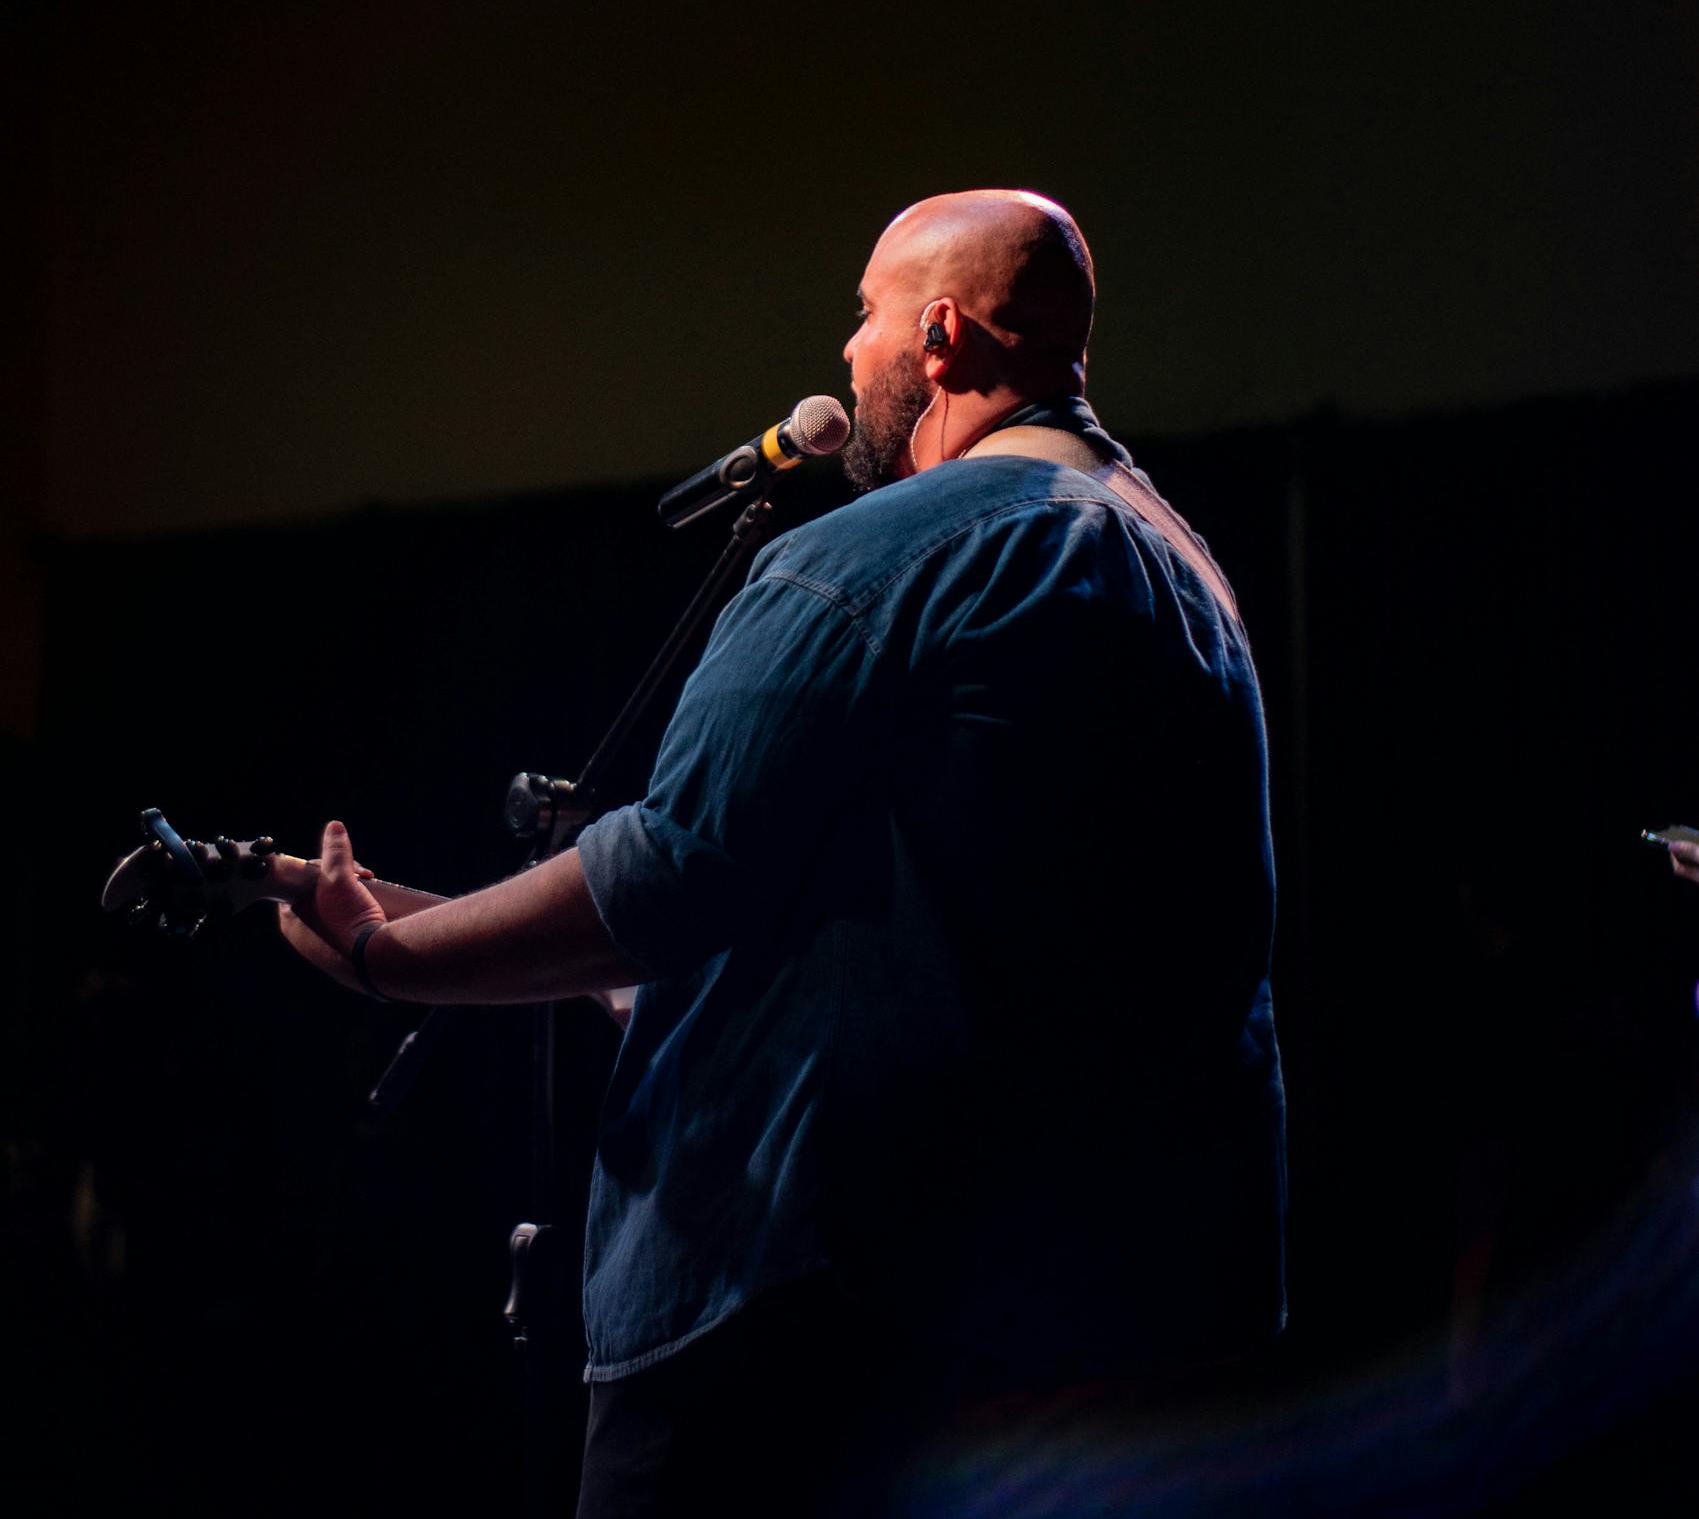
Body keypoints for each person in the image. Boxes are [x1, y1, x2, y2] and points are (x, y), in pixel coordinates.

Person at [280, 189, 1287, 1516]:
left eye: (862, 320)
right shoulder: (1186, 575)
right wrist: (551, 952)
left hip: (815, 1319)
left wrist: (382, 954)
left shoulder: (874, 559)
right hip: (1112, 1311)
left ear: (937, 336)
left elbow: (678, 871)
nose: (846, 357)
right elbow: (927, 952)